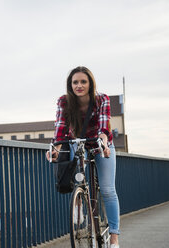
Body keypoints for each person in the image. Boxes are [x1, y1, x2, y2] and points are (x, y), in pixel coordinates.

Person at [46, 66, 120, 248]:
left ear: (90, 83)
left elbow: (105, 126)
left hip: (99, 143)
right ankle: (79, 201)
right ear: (70, 85)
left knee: (108, 190)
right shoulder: (64, 102)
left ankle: (114, 238)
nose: (79, 85)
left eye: (83, 82)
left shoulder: (101, 99)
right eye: (75, 82)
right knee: (77, 174)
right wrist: (55, 148)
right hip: (78, 143)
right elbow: (61, 129)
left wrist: (103, 142)